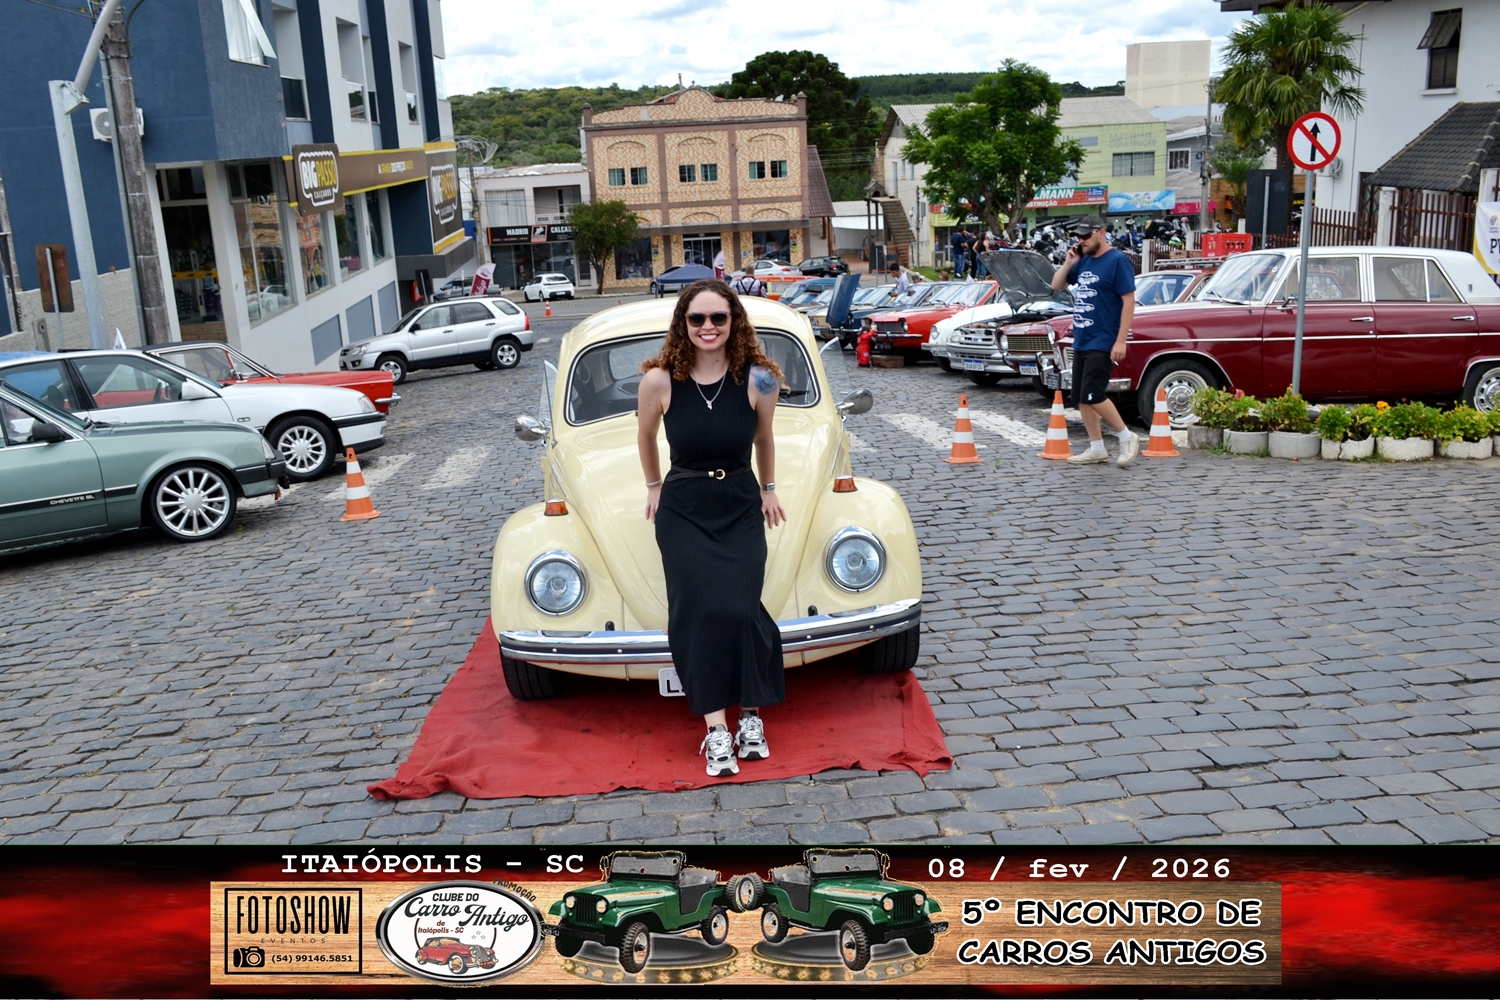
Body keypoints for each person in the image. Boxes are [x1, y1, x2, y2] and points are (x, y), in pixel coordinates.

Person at [637, 279, 787, 777]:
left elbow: (764, 439)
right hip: (683, 508)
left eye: (718, 317)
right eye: (696, 318)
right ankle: (716, 729)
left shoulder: (760, 378)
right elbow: (645, 436)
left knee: (741, 609)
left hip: (740, 502)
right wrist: (654, 485)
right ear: (682, 323)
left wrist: (768, 489)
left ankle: (751, 715)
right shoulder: (659, 381)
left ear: (733, 321)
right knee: (699, 614)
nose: (707, 327)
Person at [1049, 215, 1139, 466]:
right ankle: (1097, 447)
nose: (1082, 240)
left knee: (1093, 393)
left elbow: (1129, 302)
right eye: (1079, 236)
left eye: (1086, 236)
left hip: (1103, 338)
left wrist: (1120, 341)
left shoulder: (1118, 261)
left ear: (1101, 233)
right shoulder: (1084, 260)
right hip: (1082, 339)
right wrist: (1069, 262)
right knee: (1081, 397)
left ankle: (1127, 436)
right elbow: (1056, 284)